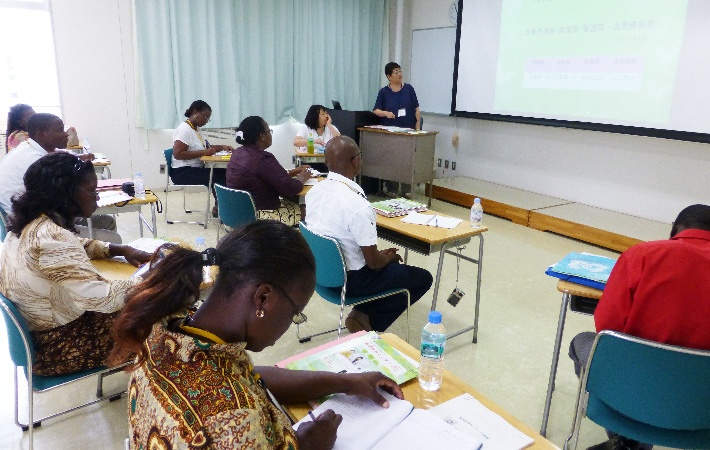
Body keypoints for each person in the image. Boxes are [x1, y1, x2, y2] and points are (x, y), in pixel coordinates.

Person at [110, 220, 403, 449]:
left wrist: (345, 382)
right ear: (263, 298)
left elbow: (250, 376)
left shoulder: (166, 326)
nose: (291, 322)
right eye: (294, 313)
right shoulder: (233, 420)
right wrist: (309, 446)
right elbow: (238, 395)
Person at [568, 204, 710, 450]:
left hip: (632, 394)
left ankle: (627, 439)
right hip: (701, 411)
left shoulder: (640, 255)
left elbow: (607, 328)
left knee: (583, 340)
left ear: (675, 231)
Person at [0, 152, 151, 376]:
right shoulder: (52, 239)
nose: (96, 197)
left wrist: (117, 249)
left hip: (42, 336)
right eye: (91, 191)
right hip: (59, 348)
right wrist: (151, 276)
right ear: (65, 194)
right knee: (161, 315)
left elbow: (75, 244)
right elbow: (105, 300)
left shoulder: (27, 226)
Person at [305, 136, 433, 332]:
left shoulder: (314, 191)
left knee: (391, 271)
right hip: (351, 282)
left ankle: (362, 313)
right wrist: (387, 258)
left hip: (321, 275)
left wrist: (381, 256)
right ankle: (368, 320)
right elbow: (373, 263)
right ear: (356, 161)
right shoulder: (357, 205)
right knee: (422, 278)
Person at [0, 113, 119, 242]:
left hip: (29, 217)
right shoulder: (35, 161)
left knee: (106, 221)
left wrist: (77, 157)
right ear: (42, 135)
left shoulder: (27, 147)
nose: (66, 134)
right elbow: (65, 200)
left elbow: (58, 154)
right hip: (34, 227)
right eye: (59, 130)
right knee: (112, 238)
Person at [227, 115, 312, 226]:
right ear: (262, 136)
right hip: (262, 216)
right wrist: (301, 179)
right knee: (308, 210)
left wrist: (292, 172)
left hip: (238, 213)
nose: (270, 134)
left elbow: (262, 176)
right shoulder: (263, 158)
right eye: (269, 131)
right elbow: (291, 188)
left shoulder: (237, 153)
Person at [171, 100, 234, 218]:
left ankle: (220, 206)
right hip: (182, 172)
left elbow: (207, 148)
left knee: (223, 172)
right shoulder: (184, 129)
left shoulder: (196, 129)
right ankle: (221, 209)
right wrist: (204, 152)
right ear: (195, 112)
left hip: (194, 168)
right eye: (205, 117)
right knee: (217, 176)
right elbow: (178, 154)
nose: (206, 121)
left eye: (208, 118)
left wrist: (222, 147)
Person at [373, 62, 421, 130]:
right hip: (390, 130)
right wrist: (385, 113)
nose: (399, 74)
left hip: (409, 129)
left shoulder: (409, 89)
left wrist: (418, 129)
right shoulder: (384, 92)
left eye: (400, 71)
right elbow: (376, 110)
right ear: (389, 76)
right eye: (396, 72)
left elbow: (417, 110)